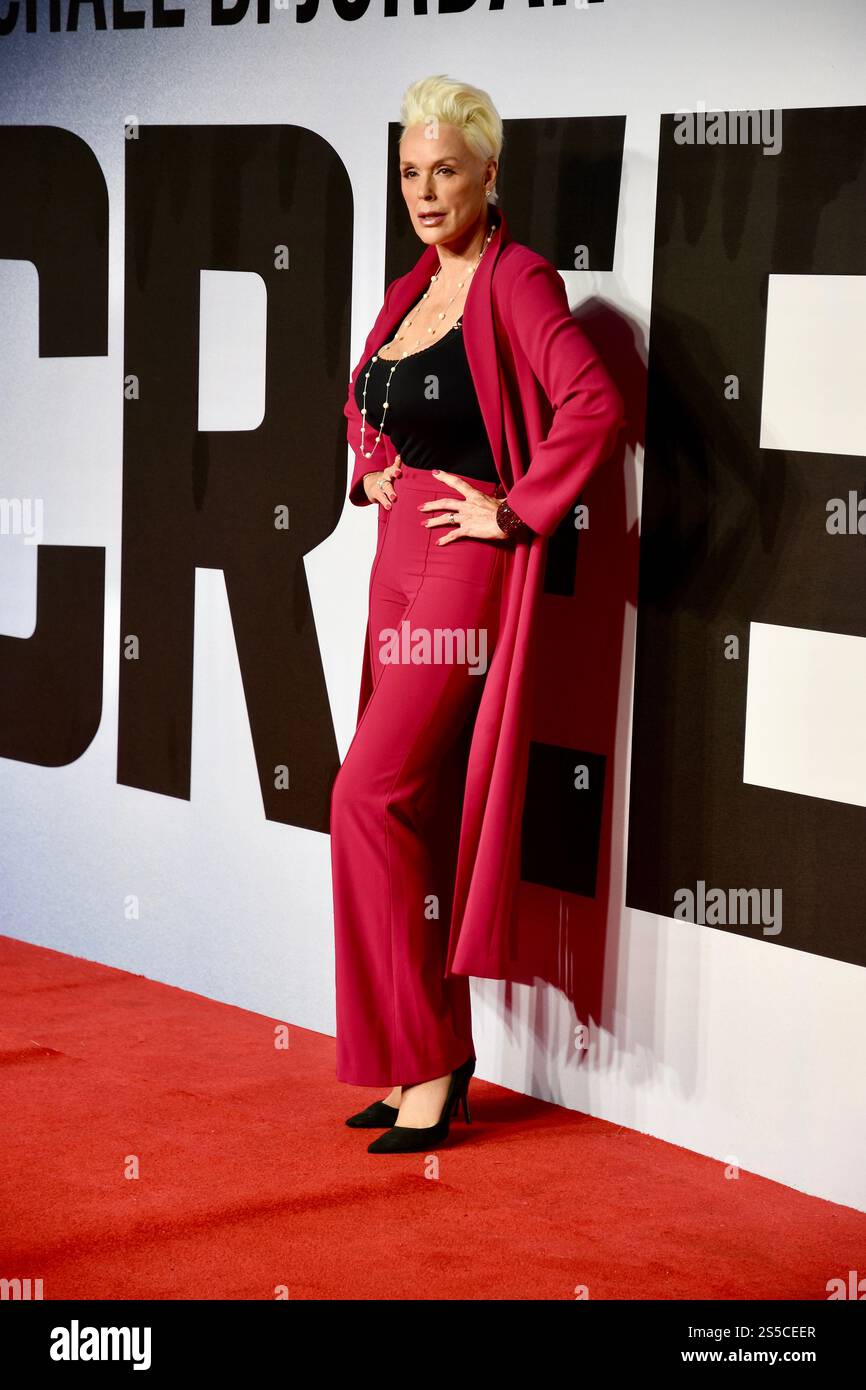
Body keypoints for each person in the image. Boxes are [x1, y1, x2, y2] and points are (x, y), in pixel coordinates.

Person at [331, 74, 626, 1155]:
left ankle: (427, 1064)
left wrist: (517, 509)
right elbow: (364, 394)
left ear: (488, 172)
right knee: (391, 811)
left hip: (462, 568)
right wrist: (368, 471)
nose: (423, 189)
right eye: (408, 172)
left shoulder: (517, 282)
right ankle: (424, 1058)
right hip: (391, 560)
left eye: (443, 169)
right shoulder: (409, 290)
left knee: (368, 793)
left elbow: (591, 401)